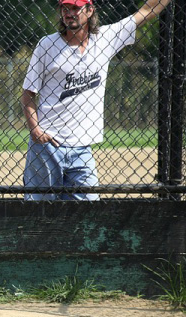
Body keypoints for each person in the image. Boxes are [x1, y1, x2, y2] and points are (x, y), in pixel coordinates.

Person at [21, 0, 172, 201]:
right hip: (47, 145)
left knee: (89, 210)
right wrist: (35, 130)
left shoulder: (105, 39)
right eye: (65, 8)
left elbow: (146, 11)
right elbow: (28, 93)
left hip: (82, 147)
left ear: (90, 10)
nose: (69, 13)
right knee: (38, 212)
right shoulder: (47, 45)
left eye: (75, 8)